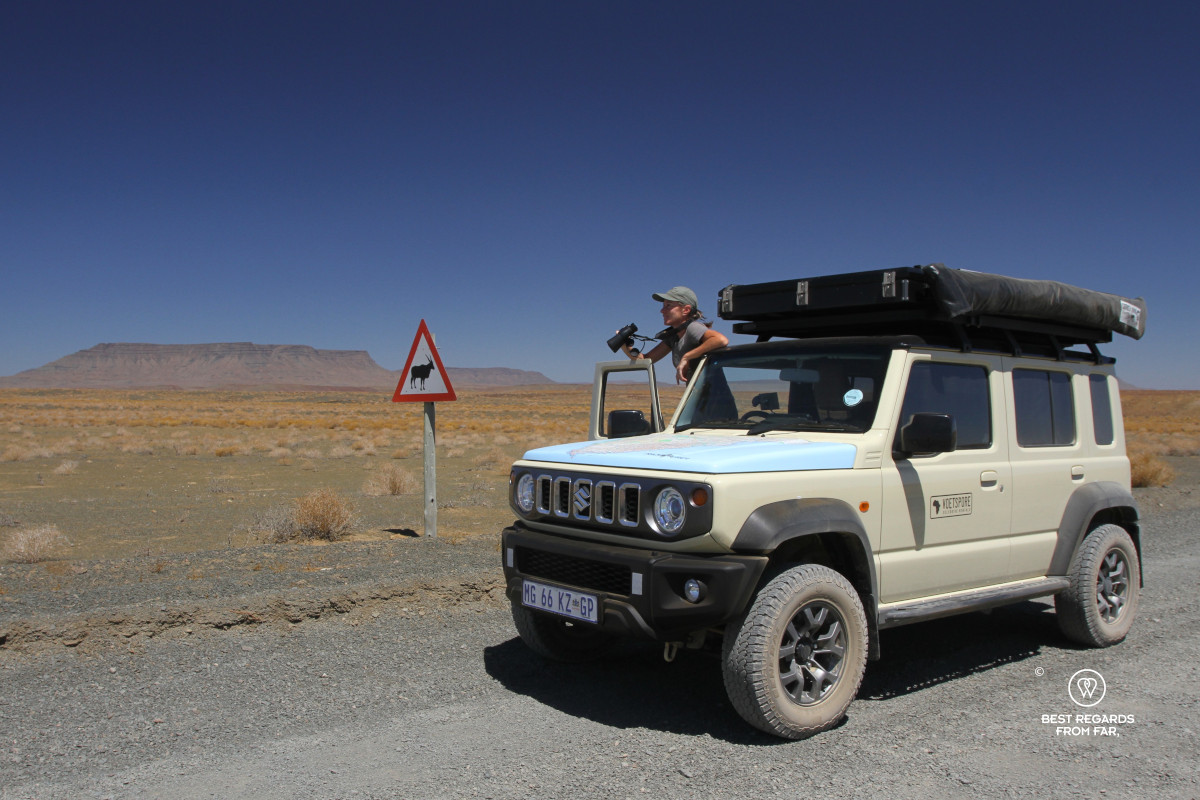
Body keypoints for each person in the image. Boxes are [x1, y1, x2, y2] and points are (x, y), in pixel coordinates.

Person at [621, 286, 728, 383]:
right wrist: (624, 344)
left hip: (714, 398)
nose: (662, 310)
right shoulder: (674, 336)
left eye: (668, 306)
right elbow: (645, 360)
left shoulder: (692, 328)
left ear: (686, 310)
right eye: (663, 306)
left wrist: (686, 357)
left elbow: (720, 340)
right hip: (699, 396)